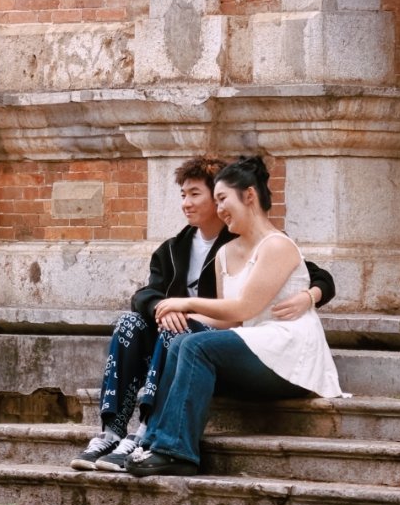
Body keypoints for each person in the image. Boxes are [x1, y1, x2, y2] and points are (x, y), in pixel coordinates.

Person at [71, 156, 335, 472]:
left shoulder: (267, 242)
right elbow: (149, 294)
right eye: (183, 194)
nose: (186, 202)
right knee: (138, 325)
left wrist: (310, 295)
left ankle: (150, 436)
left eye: (199, 194)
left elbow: (309, 279)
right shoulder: (177, 248)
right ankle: (114, 433)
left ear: (238, 196)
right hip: (233, 335)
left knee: (183, 335)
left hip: (271, 343)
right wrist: (163, 309)